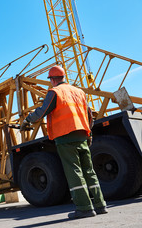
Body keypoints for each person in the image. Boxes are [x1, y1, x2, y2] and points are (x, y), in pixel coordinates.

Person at [21, 65, 108, 219]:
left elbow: (43, 110)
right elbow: (89, 115)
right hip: (82, 135)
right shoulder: (79, 92)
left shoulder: (55, 92)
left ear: (53, 80)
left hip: (65, 137)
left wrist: (27, 120)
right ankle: (100, 205)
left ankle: (85, 208)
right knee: (89, 170)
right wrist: (89, 134)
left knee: (74, 171)